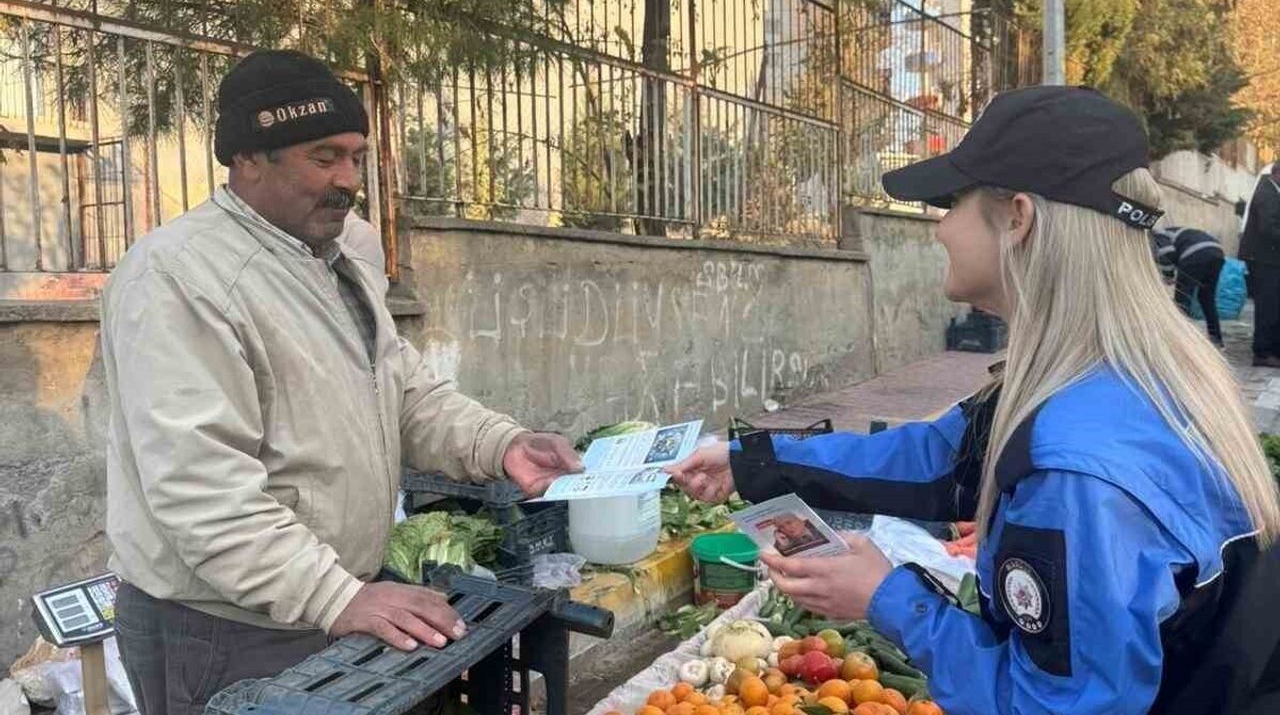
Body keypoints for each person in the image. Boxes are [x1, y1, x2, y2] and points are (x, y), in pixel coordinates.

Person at [667, 87, 1280, 714]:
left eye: (952, 201)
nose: (939, 227)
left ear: (1017, 217)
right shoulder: (1112, 374)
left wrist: (887, 598)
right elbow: (938, 456)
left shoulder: (1076, 468)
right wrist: (747, 462)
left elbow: (1049, 708)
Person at [101, 50, 582, 714]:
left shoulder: (338, 255)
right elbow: (201, 491)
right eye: (323, 157)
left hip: (322, 597)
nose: (349, 179)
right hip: (226, 629)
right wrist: (339, 597)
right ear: (248, 159)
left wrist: (502, 445)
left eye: (356, 156)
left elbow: (403, 391)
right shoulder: (178, 279)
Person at [1152, 225, 1225, 346]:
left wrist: (1168, 275)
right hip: (1217, 253)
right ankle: (1216, 340)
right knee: (1207, 299)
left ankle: (1180, 342)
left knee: (1182, 300)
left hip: (1194, 254)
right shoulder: (1178, 232)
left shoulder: (1159, 234)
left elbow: (1166, 253)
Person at [1240, 163, 1280, 367]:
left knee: (1274, 305)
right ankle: (1263, 353)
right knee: (1268, 306)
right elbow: (1268, 228)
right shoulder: (1267, 193)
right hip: (1264, 259)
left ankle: (1273, 350)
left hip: (1270, 259)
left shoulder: (1273, 191)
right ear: (1276, 174)